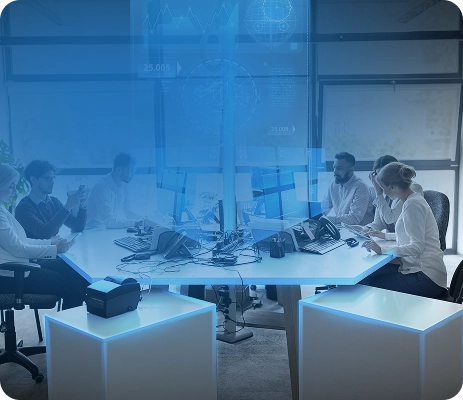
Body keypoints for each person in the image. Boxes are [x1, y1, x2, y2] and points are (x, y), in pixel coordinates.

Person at [0, 164, 87, 309]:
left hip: (20, 263)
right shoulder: (19, 208)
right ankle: (72, 324)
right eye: (11, 186)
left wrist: (52, 244)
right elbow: (18, 248)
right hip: (12, 273)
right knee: (72, 286)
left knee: (76, 273)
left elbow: (22, 241)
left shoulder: (2, 208)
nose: (15, 191)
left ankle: (84, 320)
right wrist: (54, 249)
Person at [360, 162, 447, 298]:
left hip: (427, 277)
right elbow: (412, 233)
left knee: (369, 283)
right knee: (369, 275)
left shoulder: (412, 205)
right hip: (421, 270)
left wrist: (382, 250)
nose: (384, 192)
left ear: (392, 186)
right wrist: (386, 236)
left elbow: (417, 247)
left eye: (383, 188)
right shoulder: (412, 200)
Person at [15, 160, 87, 239]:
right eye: (48, 178)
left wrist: (82, 205)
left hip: (54, 245)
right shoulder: (23, 208)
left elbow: (78, 227)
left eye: (53, 178)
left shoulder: (54, 202)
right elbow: (44, 233)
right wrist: (67, 206)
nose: (52, 182)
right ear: (33, 180)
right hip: (36, 247)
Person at [355, 155, 423, 233]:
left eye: (383, 175)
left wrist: (378, 193)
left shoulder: (412, 188)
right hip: (391, 237)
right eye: (378, 175)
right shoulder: (385, 190)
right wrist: (365, 229)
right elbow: (379, 222)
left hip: (404, 237)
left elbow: (390, 219)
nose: (380, 180)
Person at [86, 152, 143, 229]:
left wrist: (144, 220)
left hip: (109, 229)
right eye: (131, 171)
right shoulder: (100, 187)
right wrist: (136, 223)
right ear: (119, 170)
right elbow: (109, 221)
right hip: (94, 230)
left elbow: (128, 212)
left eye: (134, 171)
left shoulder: (124, 186)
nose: (133, 175)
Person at [321, 152, 374, 225]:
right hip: (343, 228)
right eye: (334, 167)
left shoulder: (361, 188)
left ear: (351, 170)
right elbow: (323, 208)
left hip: (360, 229)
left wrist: (326, 219)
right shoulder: (333, 186)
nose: (335, 171)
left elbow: (354, 219)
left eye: (339, 168)